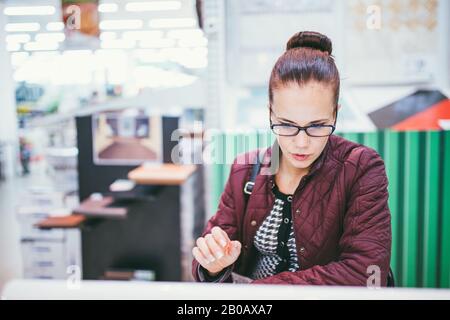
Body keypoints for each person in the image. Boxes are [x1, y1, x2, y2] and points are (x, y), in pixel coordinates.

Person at [192, 31, 391, 285]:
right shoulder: (245, 169)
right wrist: (212, 264)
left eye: (317, 125)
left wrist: (259, 291)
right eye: (286, 124)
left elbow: (367, 272)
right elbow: (206, 260)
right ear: (270, 113)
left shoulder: (360, 168)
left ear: (335, 114)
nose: (301, 142)